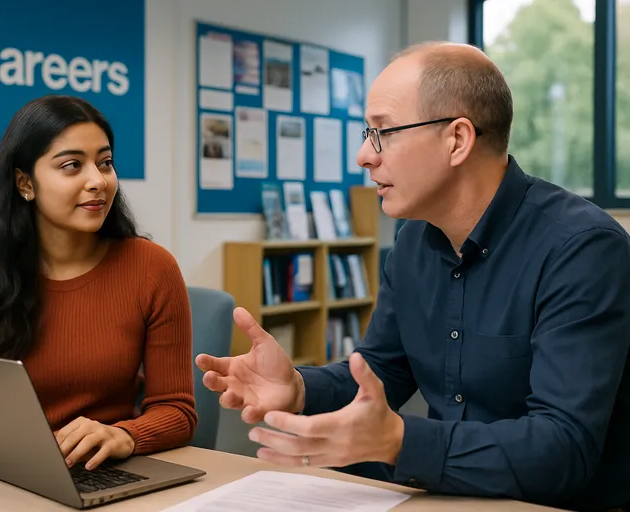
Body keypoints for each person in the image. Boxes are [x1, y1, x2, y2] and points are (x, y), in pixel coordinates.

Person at [196, 41, 630, 512]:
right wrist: (299, 388)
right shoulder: (411, 243)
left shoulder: (581, 247)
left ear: (458, 140)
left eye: (382, 132)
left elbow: (562, 448)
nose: (364, 155)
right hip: (441, 496)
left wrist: (400, 442)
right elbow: (383, 370)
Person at [0, 95, 197, 471]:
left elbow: (177, 411)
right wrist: (17, 446)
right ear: (25, 183)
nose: (97, 181)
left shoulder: (153, 268)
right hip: (6, 471)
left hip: (108, 471)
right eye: (72, 166)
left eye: (105, 163)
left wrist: (126, 435)